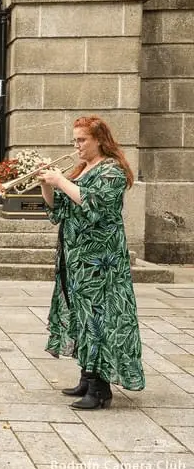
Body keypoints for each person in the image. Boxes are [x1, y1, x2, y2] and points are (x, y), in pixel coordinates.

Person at [38, 115, 144, 409]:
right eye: (75, 140)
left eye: (82, 140)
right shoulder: (82, 168)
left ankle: (100, 389)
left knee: (99, 319)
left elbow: (94, 204)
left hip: (101, 261)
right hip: (76, 258)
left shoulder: (113, 170)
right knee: (82, 316)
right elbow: (59, 209)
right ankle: (87, 375)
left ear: (100, 140)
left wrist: (61, 180)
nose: (77, 146)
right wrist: (47, 184)